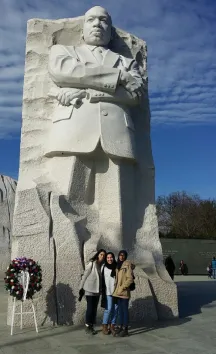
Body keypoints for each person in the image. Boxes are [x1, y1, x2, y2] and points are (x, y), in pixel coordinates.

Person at [47, 6, 146, 261]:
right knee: (66, 201)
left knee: (117, 210)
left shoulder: (127, 61)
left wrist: (86, 92)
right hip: (74, 132)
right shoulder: (64, 52)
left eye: (104, 21)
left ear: (111, 31)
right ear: (82, 28)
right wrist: (118, 78)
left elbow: (134, 96)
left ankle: (115, 265)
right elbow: (63, 72)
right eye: (91, 19)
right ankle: (67, 262)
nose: (97, 24)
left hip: (117, 135)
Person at [79, 249, 106, 334]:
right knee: (90, 308)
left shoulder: (102, 265)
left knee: (94, 308)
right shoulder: (92, 263)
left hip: (97, 291)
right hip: (89, 289)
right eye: (101, 254)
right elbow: (85, 276)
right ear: (98, 255)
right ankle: (87, 325)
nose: (102, 256)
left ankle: (91, 326)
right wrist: (81, 288)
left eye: (104, 255)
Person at [112, 250, 134, 337]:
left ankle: (125, 329)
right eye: (120, 255)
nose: (121, 256)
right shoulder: (118, 265)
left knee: (124, 311)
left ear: (125, 256)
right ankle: (121, 327)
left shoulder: (127, 265)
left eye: (123, 255)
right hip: (118, 292)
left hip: (123, 292)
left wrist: (122, 287)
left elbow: (130, 279)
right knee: (120, 310)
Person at [101, 252, 118, 335]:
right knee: (109, 309)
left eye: (111, 257)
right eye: (108, 257)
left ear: (113, 258)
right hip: (108, 292)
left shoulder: (117, 266)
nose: (109, 259)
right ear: (106, 259)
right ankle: (104, 325)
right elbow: (102, 280)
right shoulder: (103, 267)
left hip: (117, 292)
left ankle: (112, 326)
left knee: (115, 309)